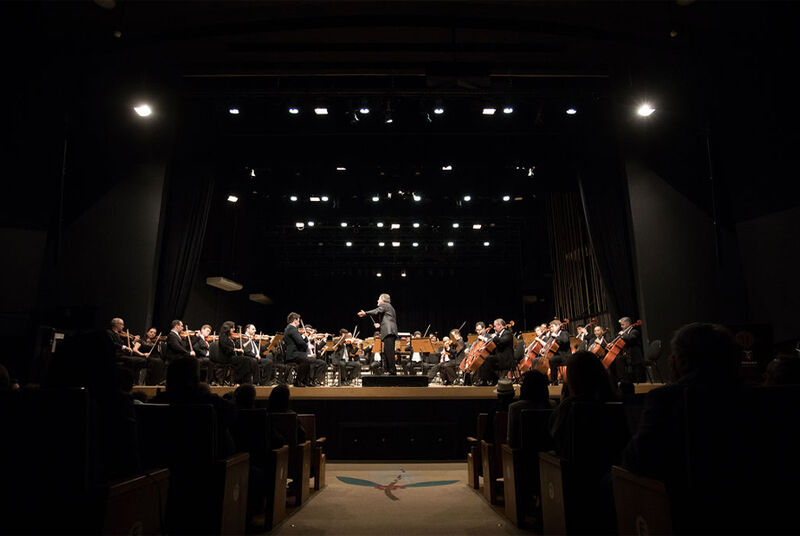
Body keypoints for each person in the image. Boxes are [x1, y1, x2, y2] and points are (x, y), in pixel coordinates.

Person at [507, 370, 555, 448]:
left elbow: (512, 441)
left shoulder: (515, 408)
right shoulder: (552, 405)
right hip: (546, 454)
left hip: (522, 455)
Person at [358, 293, 398, 375]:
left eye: (379, 299)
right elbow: (388, 319)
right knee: (387, 352)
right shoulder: (388, 307)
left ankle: (392, 371)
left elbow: (377, 311)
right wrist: (380, 325)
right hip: (389, 331)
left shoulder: (385, 305)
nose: (377, 300)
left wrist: (365, 313)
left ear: (383, 300)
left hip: (389, 332)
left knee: (389, 352)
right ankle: (389, 371)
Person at [283, 312, 325, 386]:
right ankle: (300, 381)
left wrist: (306, 338)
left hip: (295, 354)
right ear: (295, 320)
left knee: (307, 361)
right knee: (319, 363)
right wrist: (307, 347)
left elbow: (300, 341)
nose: (299, 323)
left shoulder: (289, 329)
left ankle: (305, 381)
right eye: (298, 321)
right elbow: (300, 343)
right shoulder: (292, 329)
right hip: (294, 355)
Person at [475, 318, 515, 386]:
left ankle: (490, 380)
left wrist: (494, 337)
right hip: (499, 357)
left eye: (495, 326)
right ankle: (488, 380)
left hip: (506, 359)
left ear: (500, 326)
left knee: (488, 359)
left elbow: (501, 341)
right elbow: (492, 342)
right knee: (484, 358)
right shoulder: (498, 335)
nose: (494, 328)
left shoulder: (507, 333)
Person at [615, 317, 644, 383]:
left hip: (634, 355)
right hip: (627, 354)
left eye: (623, 324)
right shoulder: (625, 333)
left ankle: (635, 380)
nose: (621, 326)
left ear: (628, 324)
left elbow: (630, 338)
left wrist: (623, 334)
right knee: (618, 358)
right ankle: (622, 379)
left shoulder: (634, 331)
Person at [544, 319, 571, 385]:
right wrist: (544, 349)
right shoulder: (552, 336)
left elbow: (565, 340)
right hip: (557, 356)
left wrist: (556, 336)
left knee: (552, 360)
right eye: (550, 327)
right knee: (550, 360)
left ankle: (554, 381)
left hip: (565, 356)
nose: (551, 328)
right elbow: (550, 346)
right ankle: (549, 380)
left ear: (558, 326)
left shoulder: (564, 333)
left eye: (552, 326)